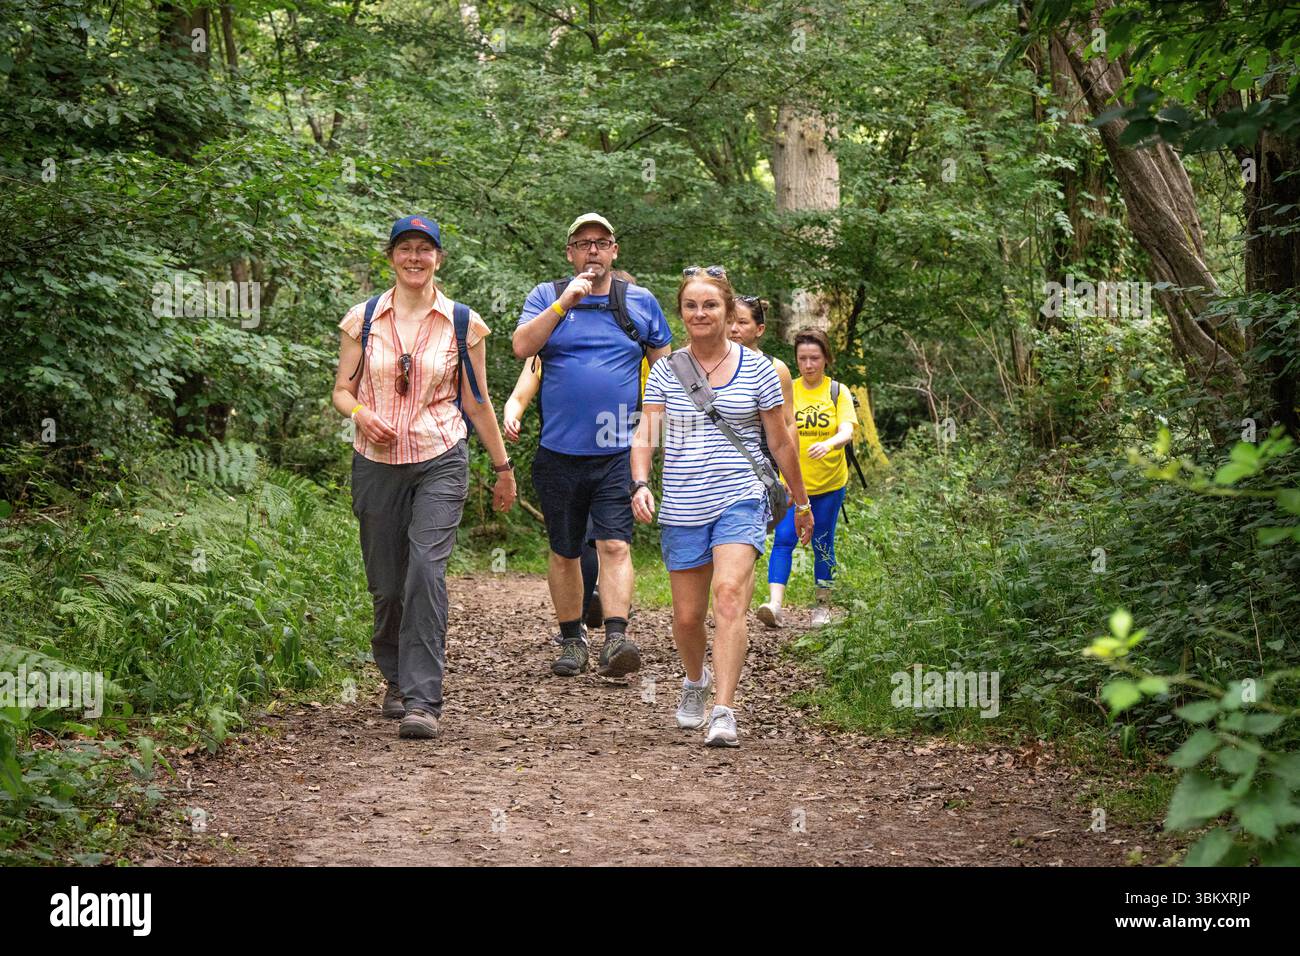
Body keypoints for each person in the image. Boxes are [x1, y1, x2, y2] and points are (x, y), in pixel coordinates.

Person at [332, 214, 517, 740]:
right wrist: (360, 414)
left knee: (425, 575)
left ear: (438, 258)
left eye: (425, 249)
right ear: (391, 257)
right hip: (375, 463)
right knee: (388, 585)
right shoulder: (363, 318)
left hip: (440, 457)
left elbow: (478, 403)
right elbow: (342, 391)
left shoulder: (463, 323)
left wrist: (502, 469)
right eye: (405, 249)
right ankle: (394, 677)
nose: (415, 258)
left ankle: (422, 699)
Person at [631, 266, 813, 747]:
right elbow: (646, 433)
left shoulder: (760, 370)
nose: (700, 313)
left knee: (730, 595)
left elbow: (781, 442)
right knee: (688, 618)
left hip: (742, 495)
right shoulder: (667, 370)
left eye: (710, 305)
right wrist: (640, 482)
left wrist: (800, 501)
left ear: (729, 311)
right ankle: (696, 681)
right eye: (691, 305)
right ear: (681, 313)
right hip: (684, 502)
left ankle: (724, 711)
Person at [513, 214, 672, 677]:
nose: (592, 251)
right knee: (564, 551)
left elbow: (664, 379)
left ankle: (617, 638)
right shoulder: (547, 296)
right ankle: (571, 640)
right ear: (570, 253)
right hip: (559, 451)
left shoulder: (639, 303)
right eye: (583, 244)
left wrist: (652, 443)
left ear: (614, 251)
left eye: (601, 243)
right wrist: (565, 302)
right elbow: (522, 347)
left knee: (616, 545)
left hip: (617, 451)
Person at [757, 327, 858, 629]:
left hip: (828, 484)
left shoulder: (837, 392)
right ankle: (774, 605)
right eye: (802, 358)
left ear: (826, 358)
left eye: (814, 357)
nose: (808, 364)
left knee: (823, 542)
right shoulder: (787, 387)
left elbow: (848, 430)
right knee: (784, 539)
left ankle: (823, 607)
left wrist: (829, 444)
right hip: (791, 482)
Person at [728, 295, 798, 471]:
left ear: (759, 329)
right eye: (729, 321)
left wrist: (790, 473)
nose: (734, 329)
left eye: (742, 322)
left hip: (764, 463)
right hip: (721, 463)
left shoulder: (776, 368)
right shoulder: (710, 366)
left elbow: (789, 423)